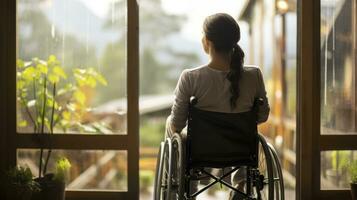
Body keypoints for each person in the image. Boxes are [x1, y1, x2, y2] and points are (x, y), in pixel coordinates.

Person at [165, 13, 270, 199]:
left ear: (207, 41)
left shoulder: (190, 78)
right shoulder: (254, 75)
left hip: (201, 150)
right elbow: (261, 116)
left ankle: (185, 184)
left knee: (171, 125)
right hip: (241, 149)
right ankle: (241, 183)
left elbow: (178, 123)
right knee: (248, 133)